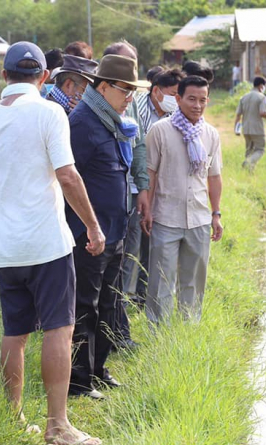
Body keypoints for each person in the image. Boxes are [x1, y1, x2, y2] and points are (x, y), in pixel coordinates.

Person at [0, 42, 104, 445]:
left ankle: (14, 418)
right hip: (46, 243)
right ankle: (58, 425)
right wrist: (93, 227)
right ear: (44, 77)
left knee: (15, 332)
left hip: (5, 247)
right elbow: (68, 175)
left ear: (4, 76)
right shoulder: (49, 112)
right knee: (59, 328)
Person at [66, 54, 150, 399]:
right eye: (124, 89)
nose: (130, 97)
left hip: (114, 229)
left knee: (109, 304)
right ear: (102, 87)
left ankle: (98, 369)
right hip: (89, 234)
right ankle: (78, 380)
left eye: (133, 90)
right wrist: (87, 227)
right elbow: (67, 179)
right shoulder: (82, 123)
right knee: (84, 306)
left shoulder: (112, 119)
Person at [143, 75, 224, 325]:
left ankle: (188, 329)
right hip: (165, 217)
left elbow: (214, 177)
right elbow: (150, 173)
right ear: (178, 99)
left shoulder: (210, 135)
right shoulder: (160, 131)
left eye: (202, 100)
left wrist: (216, 214)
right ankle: (159, 333)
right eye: (191, 99)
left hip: (199, 219)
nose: (197, 105)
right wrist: (147, 210)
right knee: (161, 281)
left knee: (194, 282)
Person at [120, 68, 184, 311]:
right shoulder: (138, 109)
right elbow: (139, 151)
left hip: (162, 189)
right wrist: (143, 189)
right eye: (172, 94)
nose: (175, 99)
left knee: (154, 243)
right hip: (136, 187)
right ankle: (124, 298)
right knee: (133, 243)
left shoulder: (176, 114)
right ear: (156, 91)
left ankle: (144, 295)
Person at [101, 40, 150, 352]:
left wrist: (142, 187)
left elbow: (139, 144)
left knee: (125, 262)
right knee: (105, 269)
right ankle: (110, 335)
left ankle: (119, 330)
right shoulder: (93, 105)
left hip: (129, 194)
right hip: (104, 198)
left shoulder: (130, 100)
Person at [234, 76, 266, 171]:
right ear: (261, 86)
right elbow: (262, 113)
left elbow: (238, 115)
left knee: (249, 151)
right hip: (257, 129)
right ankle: (248, 162)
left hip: (246, 129)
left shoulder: (244, 97)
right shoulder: (262, 97)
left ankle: (249, 172)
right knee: (260, 149)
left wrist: (236, 129)